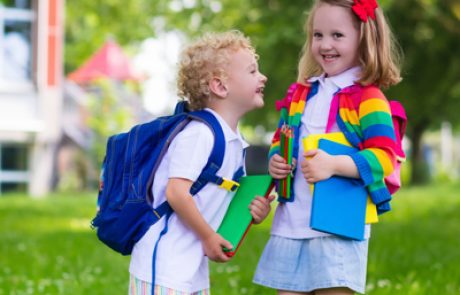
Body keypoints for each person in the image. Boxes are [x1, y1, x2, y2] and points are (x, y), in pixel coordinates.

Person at [253, 0, 402, 294]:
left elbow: (386, 157)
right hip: (292, 225)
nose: (325, 44)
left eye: (337, 35)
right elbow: (279, 142)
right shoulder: (299, 93)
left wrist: (334, 165)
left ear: (364, 38)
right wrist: (276, 161)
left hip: (338, 226)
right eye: (318, 35)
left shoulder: (368, 97)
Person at [128, 30, 272, 295]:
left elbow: (222, 199)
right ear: (220, 86)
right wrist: (207, 236)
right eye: (252, 71)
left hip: (191, 268)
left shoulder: (234, 142)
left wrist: (253, 213)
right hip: (163, 267)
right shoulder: (199, 134)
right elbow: (176, 192)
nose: (262, 77)